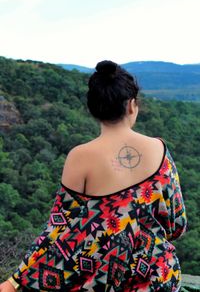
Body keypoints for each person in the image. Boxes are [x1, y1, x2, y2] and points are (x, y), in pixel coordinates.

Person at [0, 60, 187, 291]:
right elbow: (177, 224)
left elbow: (57, 232)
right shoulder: (160, 149)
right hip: (160, 279)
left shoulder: (80, 157)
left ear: (93, 108)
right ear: (131, 105)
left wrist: (15, 281)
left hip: (102, 282)